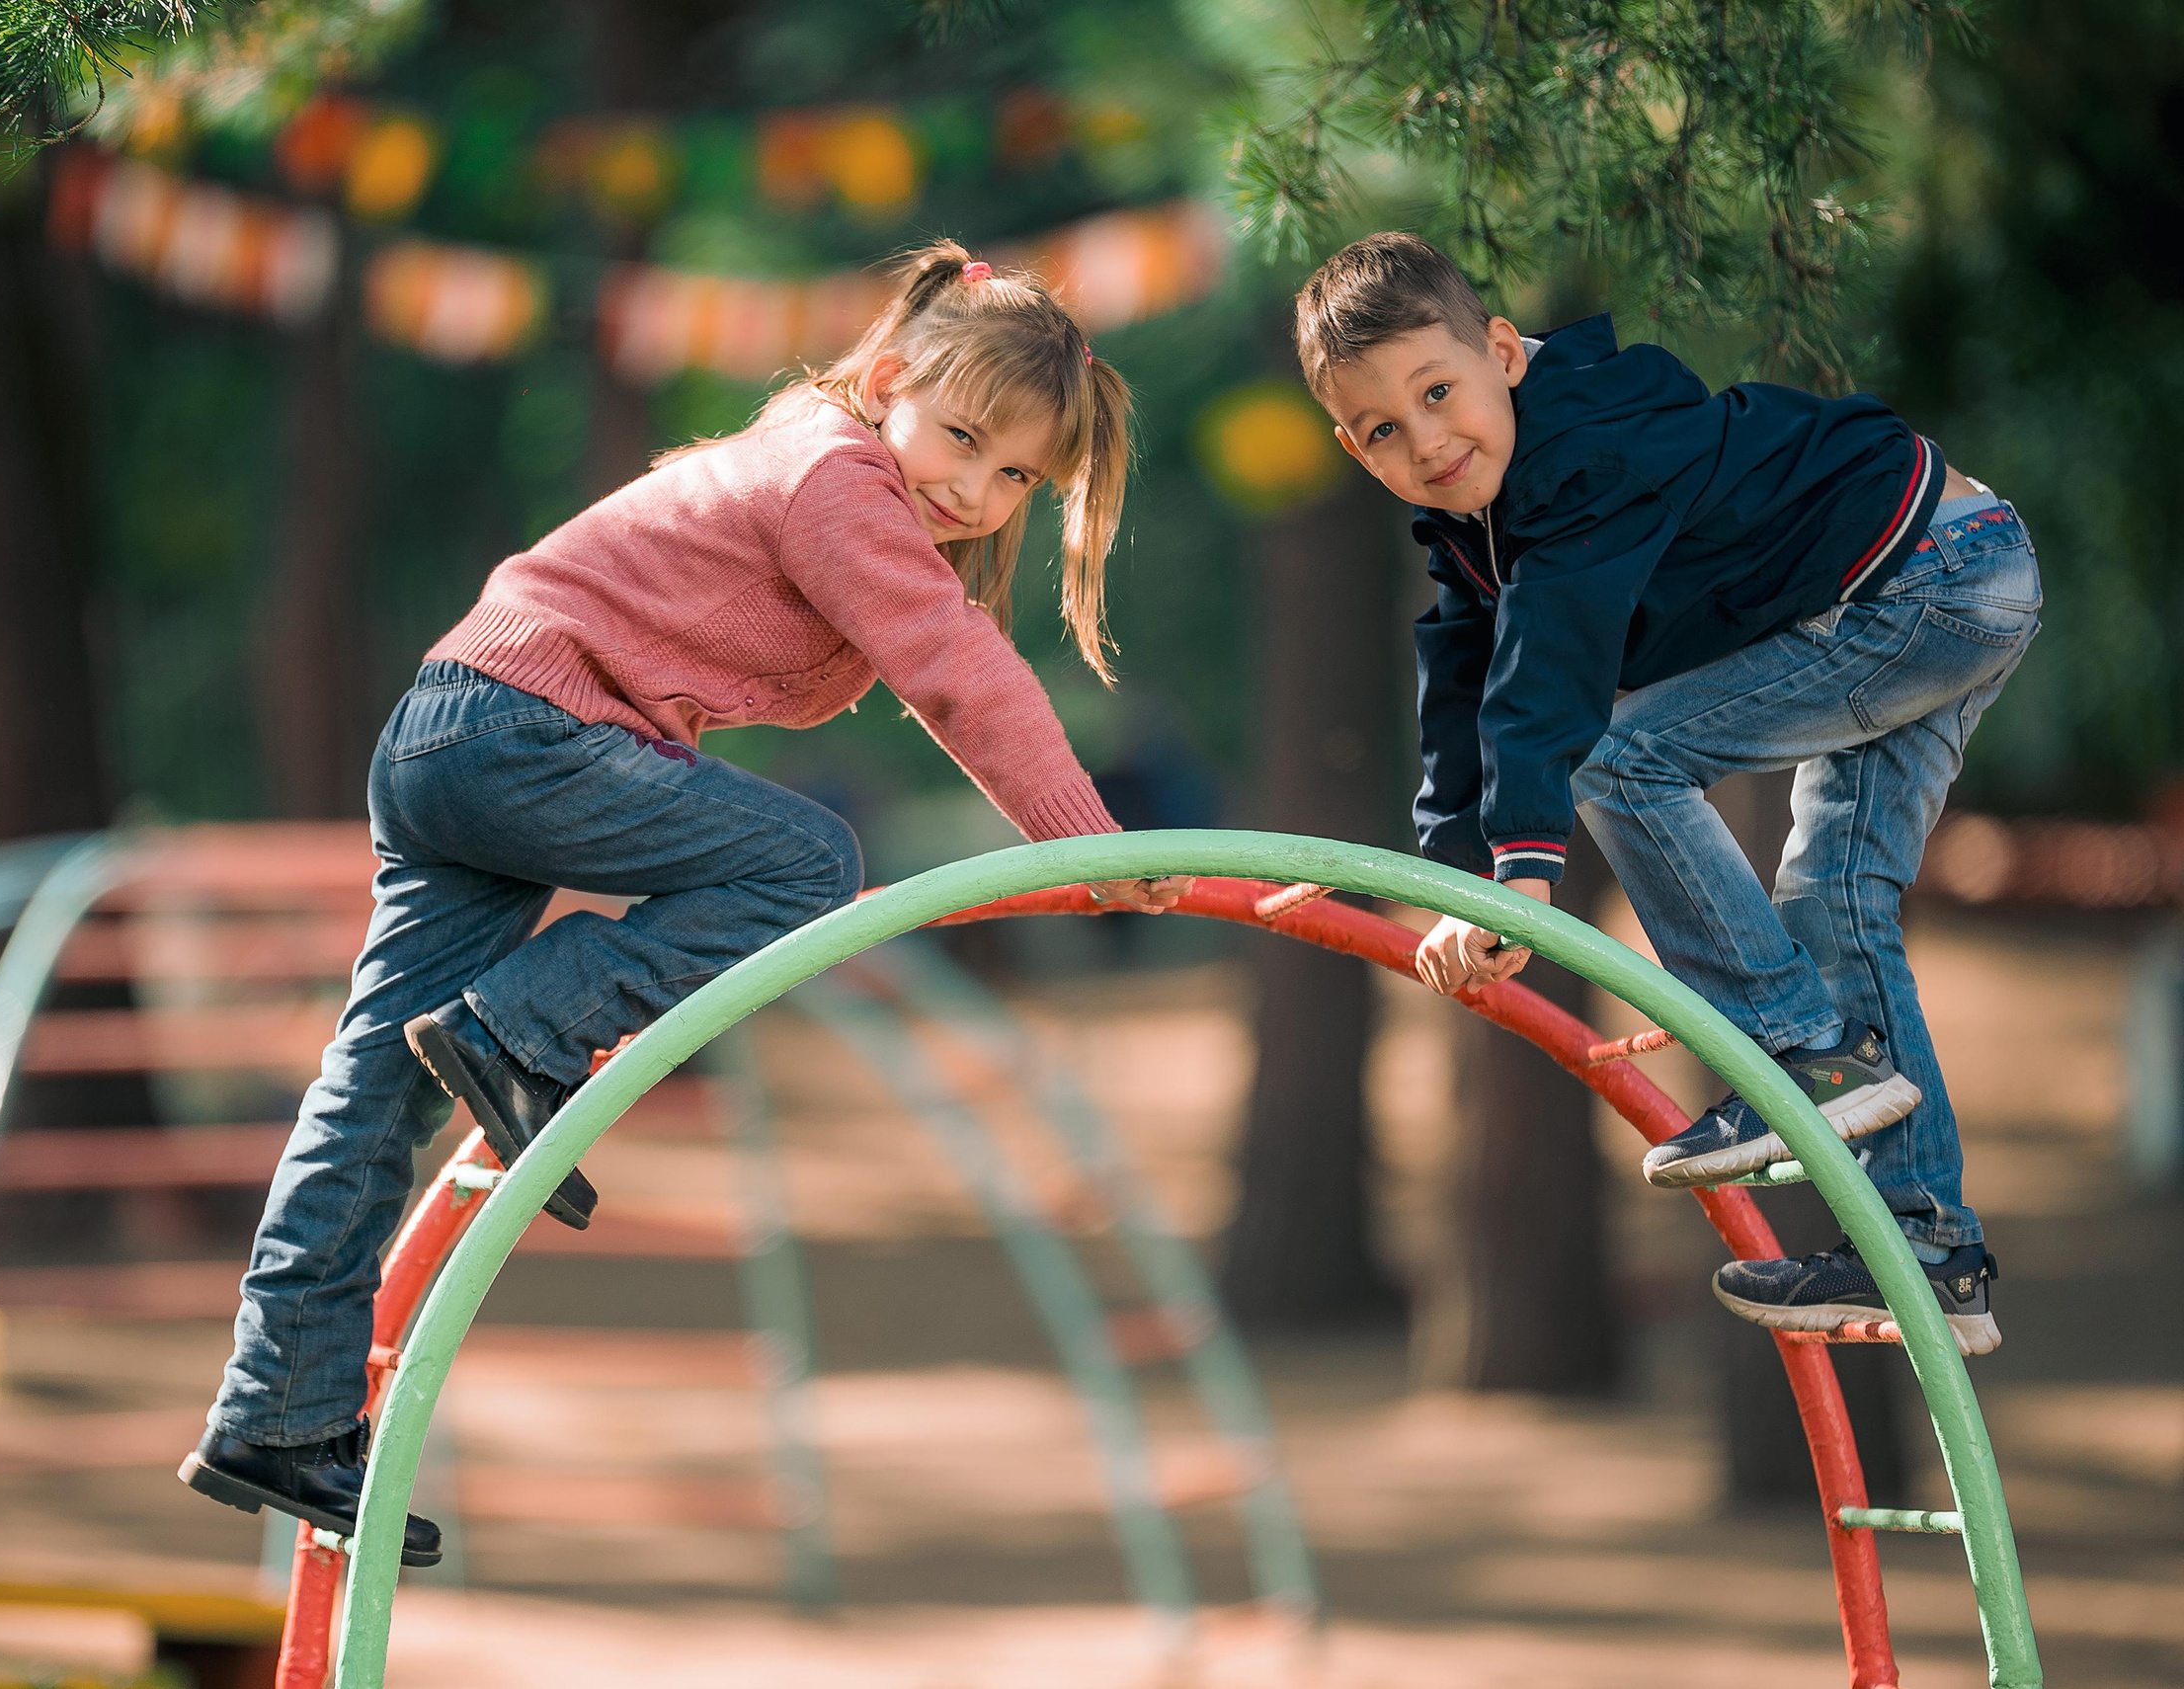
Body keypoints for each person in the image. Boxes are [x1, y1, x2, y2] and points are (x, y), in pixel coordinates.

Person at [179, 244, 1189, 1557]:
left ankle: (279, 1410)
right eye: (960, 437)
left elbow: (933, 651)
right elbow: (958, 672)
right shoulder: (835, 474)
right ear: (887, 380)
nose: (974, 488)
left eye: (1015, 477)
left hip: (450, 727)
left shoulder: (816, 458)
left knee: (374, 1086)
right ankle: (516, 1028)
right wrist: (1086, 847)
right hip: (524, 728)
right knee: (807, 862)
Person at [1292, 232, 2036, 1358]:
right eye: (1385, 430)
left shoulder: (1581, 446)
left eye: (1438, 392)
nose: (1428, 441)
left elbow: (1552, 669)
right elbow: (1461, 671)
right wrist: (1463, 883)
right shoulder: (1472, 510)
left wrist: (1525, 872)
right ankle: (1931, 1251)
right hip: (1954, 570)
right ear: (1353, 447)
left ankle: (1799, 1049)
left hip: (1919, 577)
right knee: (1833, 897)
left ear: (1501, 351)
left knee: (1617, 755)